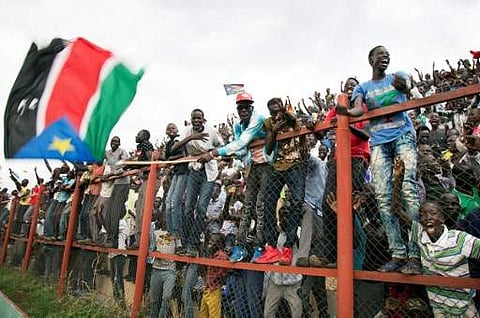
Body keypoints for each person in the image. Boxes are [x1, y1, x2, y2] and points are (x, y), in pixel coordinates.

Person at [348, 45, 420, 272]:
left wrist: (406, 86)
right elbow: (358, 110)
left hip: (403, 136)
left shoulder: (397, 76)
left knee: (408, 190)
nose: (385, 58)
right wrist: (345, 113)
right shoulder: (363, 87)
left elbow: (408, 87)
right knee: (382, 196)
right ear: (371, 59)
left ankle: (416, 254)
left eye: (388, 56)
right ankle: (398, 254)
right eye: (381, 55)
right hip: (379, 141)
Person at [199, 92, 272, 262]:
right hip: (253, 166)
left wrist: (215, 152)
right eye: (241, 107)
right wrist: (233, 154)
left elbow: (242, 142)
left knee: (260, 207)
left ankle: (260, 247)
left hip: (267, 165)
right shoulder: (238, 126)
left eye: (247, 106)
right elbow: (241, 150)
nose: (244, 109)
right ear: (237, 110)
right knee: (248, 207)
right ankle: (239, 247)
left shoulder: (258, 118)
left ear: (251, 107)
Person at [254, 97, 309, 265]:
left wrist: (285, 114)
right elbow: (268, 148)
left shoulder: (291, 116)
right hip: (278, 165)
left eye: (278, 110)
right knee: (268, 202)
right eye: (272, 112)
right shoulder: (270, 123)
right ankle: (271, 247)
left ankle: (288, 247)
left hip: (296, 164)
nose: (276, 115)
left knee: (296, 201)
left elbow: (293, 121)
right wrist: (274, 130)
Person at [179, 109, 224, 257]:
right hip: (194, 169)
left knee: (202, 208)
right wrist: (192, 137)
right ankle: (185, 242)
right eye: (194, 118)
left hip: (209, 171)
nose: (196, 121)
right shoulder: (187, 131)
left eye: (199, 118)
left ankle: (192, 242)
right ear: (191, 119)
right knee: (188, 207)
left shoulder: (211, 131)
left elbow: (221, 146)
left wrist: (210, 154)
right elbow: (179, 146)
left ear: (203, 119)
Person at [103, 136, 130, 248]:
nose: (114, 143)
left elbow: (126, 164)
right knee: (107, 212)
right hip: (114, 184)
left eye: (117, 142)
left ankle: (113, 240)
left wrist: (113, 174)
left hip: (123, 183)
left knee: (114, 213)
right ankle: (109, 236)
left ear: (119, 143)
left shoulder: (122, 152)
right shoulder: (108, 153)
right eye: (113, 141)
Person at [198, 232, 229, 318]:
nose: (210, 243)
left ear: (219, 244)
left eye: (213, 241)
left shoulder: (222, 256)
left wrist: (216, 281)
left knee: (214, 315)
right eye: (210, 241)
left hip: (214, 288)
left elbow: (224, 273)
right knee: (202, 314)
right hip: (207, 288)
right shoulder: (211, 254)